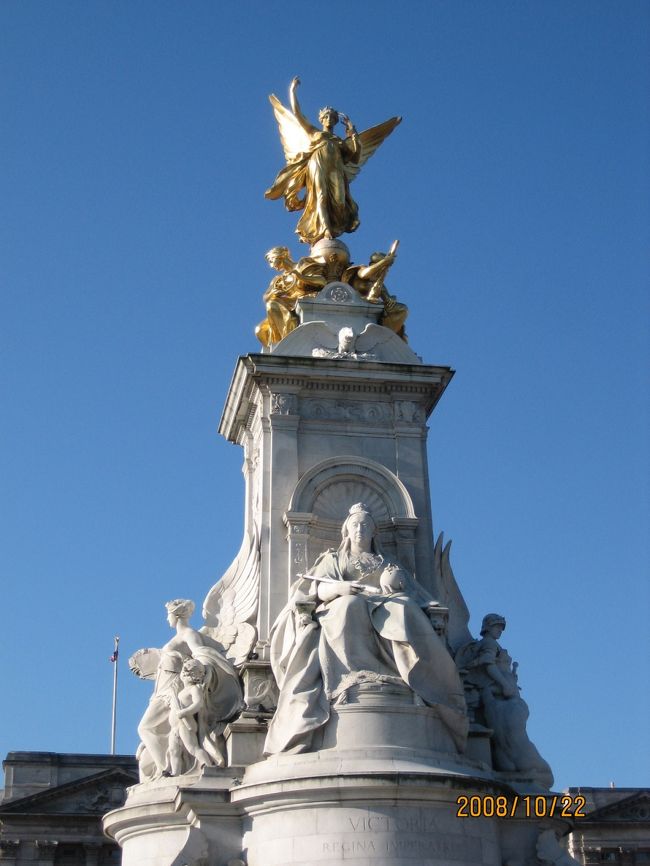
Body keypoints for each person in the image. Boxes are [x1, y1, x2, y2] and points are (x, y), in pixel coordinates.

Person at [264, 504, 468, 755]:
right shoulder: (334, 559)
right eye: (355, 525)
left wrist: (398, 585)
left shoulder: (386, 561)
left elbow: (414, 592)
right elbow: (315, 589)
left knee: (404, 607)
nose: (359, 529)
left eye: (365, 525)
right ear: (347, 531)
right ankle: (350, 679)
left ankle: (415, 677)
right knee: (350, 605)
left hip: (384, 603)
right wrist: (339, 589)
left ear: (374, 532)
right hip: (343, 604)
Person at [266, 78, 400, 245]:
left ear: (336, 120)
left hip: (336, 167)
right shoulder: (315, 133)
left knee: (339, 201)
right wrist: (292, 91)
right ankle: (325, 228)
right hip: (317, 163)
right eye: (326, 116)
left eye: (332, 117)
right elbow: (298, 115)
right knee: (320, 196)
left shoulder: (339, 142)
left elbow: (355, 158)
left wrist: (354, 136)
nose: (329, 118)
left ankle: (334, 225)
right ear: (321, 119)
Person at [134, 599, 243, 779]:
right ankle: (166, 768)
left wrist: (202, 675)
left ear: (176, 615)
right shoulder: (179, 636)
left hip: (172, 690)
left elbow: (202, 655)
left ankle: (164, 769)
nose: (167, 619)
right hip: (162, 690)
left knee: (145, 728)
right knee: (152, 730)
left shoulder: (189, 634)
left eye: (168, 615)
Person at [255, 246, 327, 347]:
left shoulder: (302, 265)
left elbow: (322, 282)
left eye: (271, 261)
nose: (271, 266)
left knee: (271, 305)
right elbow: (265, 297)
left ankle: (288, 342)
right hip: (286, 305)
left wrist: (300, 277)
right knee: (260, 330)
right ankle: (279, 346)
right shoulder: (278, 279)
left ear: (280, 256)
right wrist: (273, 293)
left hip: (301, 301)